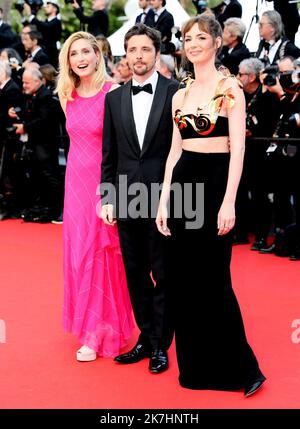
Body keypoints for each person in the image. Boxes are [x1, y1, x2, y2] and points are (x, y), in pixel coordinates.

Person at [156, 13, 266, 396]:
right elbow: (173, 152)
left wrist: (229, 202)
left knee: (216, 280)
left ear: (218, 42)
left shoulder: (229, 87)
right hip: (184, 181)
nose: (194, 44)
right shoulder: (179, 94)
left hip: (216, 180)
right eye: (188, 38)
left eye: (202, 37)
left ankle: (243, 368)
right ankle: (197, 369)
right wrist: (164, 201)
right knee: (184, 279)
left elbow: (237, 151)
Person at [101, 24, 178, 374]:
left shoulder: (176, 92)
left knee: (164, 273)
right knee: (134, 273)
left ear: (157, 53)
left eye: (145, 49)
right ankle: (146, 338)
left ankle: (161, 345)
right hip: (127, 195)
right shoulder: (114, 98)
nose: (138, 56)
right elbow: (109, 154)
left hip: (168, 196)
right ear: (125, 54)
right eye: (132, 50)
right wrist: (107, 198)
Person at [56, 31, 133, 361]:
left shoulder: (112, 93)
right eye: (74, 53)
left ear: (98, 54)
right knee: (79, 254)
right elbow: (74, 141)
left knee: (100, 254)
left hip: (101, 185)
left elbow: (118, 148)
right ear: (68, 60)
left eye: (86, 51)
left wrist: (113, 194)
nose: (80, 58)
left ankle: (100, 330)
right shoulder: (66, 94)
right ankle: (89, 324)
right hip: (74, 184)